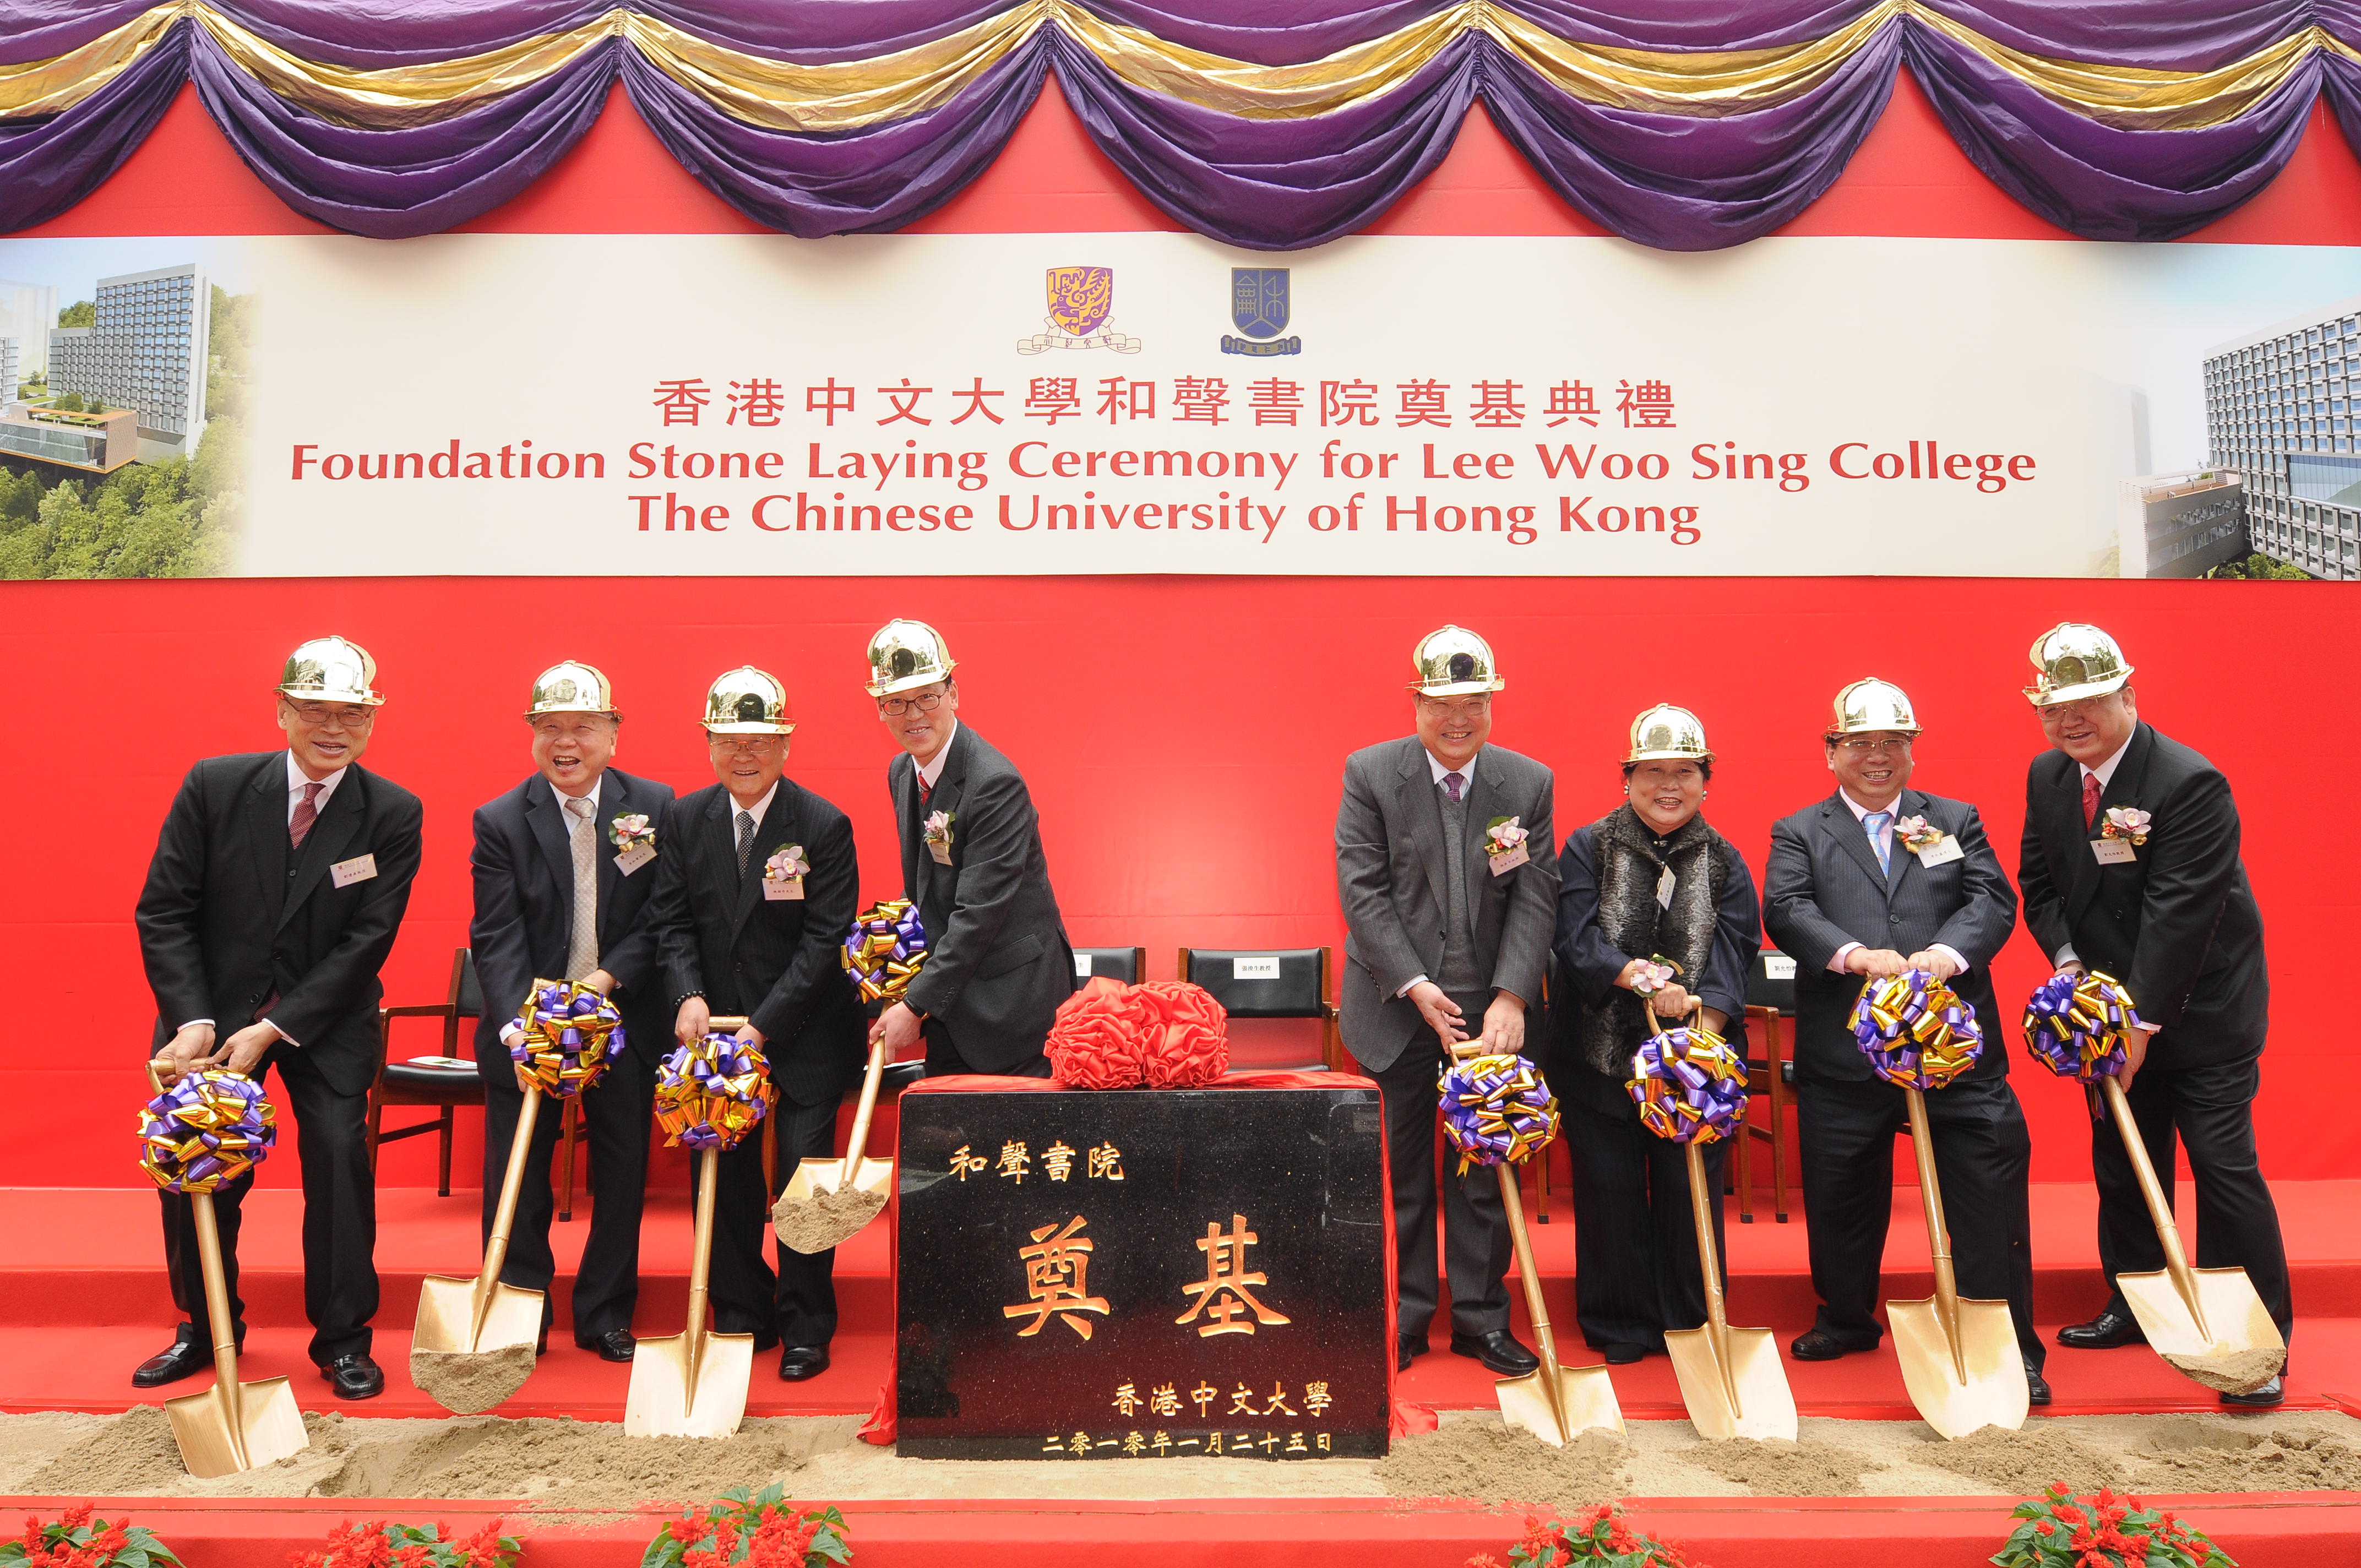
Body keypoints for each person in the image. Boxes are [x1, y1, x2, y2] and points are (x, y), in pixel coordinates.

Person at [133, 636, 424, 1400]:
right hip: (210, 1015)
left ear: (371, 724)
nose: (335, 729)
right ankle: (205, 1327)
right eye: (318, 712)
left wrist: (275, 1026)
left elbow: (369, 940)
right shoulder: (217, 787)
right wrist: (193, 1017)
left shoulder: (391, 812)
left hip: (322, 1023)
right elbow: (165, 911)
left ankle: (343, 1341)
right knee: (196, 1175)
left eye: (352, 717)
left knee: (336, 1159)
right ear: (283, 710)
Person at [2016, 623, 2290, 1406]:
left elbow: (2180, 915)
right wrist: (2076, 982)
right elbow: (2040, 883)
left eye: (2089, 702)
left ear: (2127, 696)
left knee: (2222, 1167)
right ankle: (2136, 1300)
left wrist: (2136, 1025)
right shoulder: (2048, 776)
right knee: (2125, 1164)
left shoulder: (2188, 782)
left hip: (2202, 1010)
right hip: (2107, 1007)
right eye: (2053, 707)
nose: (2070, 721)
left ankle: (2259, 1344)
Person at [1763, 677, 2047, 1403]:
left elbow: (1991, 899)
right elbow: (1787, 909)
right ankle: (1847, 1317)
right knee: (1841, 1201)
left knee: (1987, 1197)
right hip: (1845, 1057)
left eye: (1894, 742)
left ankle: (2009, 1342)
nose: (1878, 756)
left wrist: (1947, 957)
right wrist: (1855, 956)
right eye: (1861, 743)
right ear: (1832, 753)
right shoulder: (1801, 831)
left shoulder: (1951, 818)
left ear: (1913, 751)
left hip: (1955, 1057)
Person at [1335, 625, 1558, 1378]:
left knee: (1484, 1176)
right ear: (1416, 702)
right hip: (1397, 1006)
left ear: (1492, 703)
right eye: (1441, 703)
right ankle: (1398, 1318)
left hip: (1488, 1015)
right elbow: (1363, 894)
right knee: (1398, 1177)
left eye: (1474, 702)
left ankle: (1479, 1321)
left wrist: (1513, 995)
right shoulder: (1370, 774)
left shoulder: (1525, 784)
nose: (1458, 718)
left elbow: (1534, 897)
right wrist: (1417, 984)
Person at [645, 667, 864, 1381]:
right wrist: (684, 995)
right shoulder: (683, 819)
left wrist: (763, 1028)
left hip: (800, 1035)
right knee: (728, 1177)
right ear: (708, 743)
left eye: (761, 741)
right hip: (714, 1040)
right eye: (731, 740)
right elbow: (671, 922)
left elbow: (824, 944)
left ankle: (807, 1326)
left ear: (785, 745)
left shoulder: (822, 826)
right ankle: (743, 1312)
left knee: (802, 1184)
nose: (745, 754)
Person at [467, 661, 674, 1363]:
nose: (566, 742)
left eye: (582, 727)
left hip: (621, 1023)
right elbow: (495, 934)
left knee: (619, 1174)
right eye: (549, 727)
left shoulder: (653, 806)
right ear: (531, 735)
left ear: (612, 733)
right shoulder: (500, 819)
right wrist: (523, 1020)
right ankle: (520, 1308)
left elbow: (658, 917)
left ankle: (607, 1312)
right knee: (517, 1176)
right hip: (528, 1026)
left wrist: (606, 982)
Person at [1549, 704, 1760, 1365]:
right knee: (1608, 1188)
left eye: (1684, 772)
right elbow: (1574, 940)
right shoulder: (1589, 845)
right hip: (1598, 1052)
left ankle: (1691, 1319)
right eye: (1653, 771)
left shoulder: (1724, 858)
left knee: (1685, 1187)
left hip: (1692, 1067)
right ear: (1626, 777)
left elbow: (1737, 945)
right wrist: (1637, 977)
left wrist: (1706, 1031)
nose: (1668, 785)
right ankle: (1620, 1324)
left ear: (1706, 780)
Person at [863, 619, 1074, 1077]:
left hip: (1012, 1006)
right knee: (953, 1145)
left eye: (927, 696)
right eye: (896, 702)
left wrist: (915, 1005)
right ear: (880, 710)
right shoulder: (902, 772)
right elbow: (927, 892)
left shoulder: (995, 783)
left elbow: (978, 913)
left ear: (953, 695)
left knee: (1018, 1147)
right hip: (952, 1002)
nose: (914, 714)